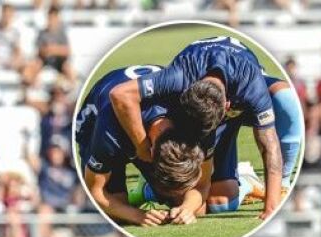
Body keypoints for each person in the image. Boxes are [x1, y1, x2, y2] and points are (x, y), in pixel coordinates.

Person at [108, 35, 285, 220]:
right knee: (191, 205)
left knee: (222, 204)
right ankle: (152, 187)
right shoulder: (180, 75)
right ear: (185, 94)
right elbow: (121, 94)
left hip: (230, 112)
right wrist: (142, 146)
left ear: (227, 107)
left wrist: (271, 207)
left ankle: (245, 177)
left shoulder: (252, 86)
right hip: (194, 113)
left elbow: (269, 145)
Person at [75, 65, 210, 226]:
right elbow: (95, 191)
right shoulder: (108, 134)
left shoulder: (193, 118)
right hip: (96, 120)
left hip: (146, 125)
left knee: (198, 209)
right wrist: (137, 216)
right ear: (151, 158)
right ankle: (148, 190)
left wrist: (187, 208)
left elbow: (202, 185)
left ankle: (149, 191)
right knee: (116, 215)